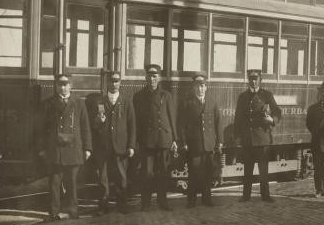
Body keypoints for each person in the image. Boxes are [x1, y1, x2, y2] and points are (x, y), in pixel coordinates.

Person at [38, 73, 92, 222]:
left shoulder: (79, 102)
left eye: (65, 84)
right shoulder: (48, 103)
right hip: (55, 149)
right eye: (60, 85)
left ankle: (72, 210)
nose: (62, 87)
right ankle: (53, 212)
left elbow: (85, 126)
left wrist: (87, 148)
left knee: (72, 182)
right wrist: (42, 148)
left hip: (73, 148)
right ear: (57, 86)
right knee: (54, 183)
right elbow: (42, 128)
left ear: (70, 85)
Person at [88, 71, 136, 216]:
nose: (113, 84)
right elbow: (91, 125)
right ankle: (103, 207)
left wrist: (131, 146)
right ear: (107, 83)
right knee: (103, 179)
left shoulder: (126, 102)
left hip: (120, 147)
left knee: (121, 178)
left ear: (120, 83)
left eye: (116, 81)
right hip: (103, 148)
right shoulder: (99, 102)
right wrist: (97, 121)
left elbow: (132, 125)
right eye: (111, 81)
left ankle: (122, 206)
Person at [133, 64, 178, 212]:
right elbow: (136, 122)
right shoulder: (138, 96)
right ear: (145, 78)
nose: (151, 79)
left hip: (163, 140)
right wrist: (136, 142)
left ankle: (162, 202)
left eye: (154, 76)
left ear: (158, 78)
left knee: (163, 173)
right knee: (146, 173)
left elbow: (172, 118)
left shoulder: (166, 95)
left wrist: (174, 139)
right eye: (149, 76)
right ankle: (145, 203)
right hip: (147, 141)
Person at [233, 69, 281, 203]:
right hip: (247, 137)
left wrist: (272, 120)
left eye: (256, 79)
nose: (253, 81)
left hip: (262, 137)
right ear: (248, 80)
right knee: (247, 168)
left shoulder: (267, 94)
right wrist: (237, 135)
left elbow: (277, 112)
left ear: (260, 80)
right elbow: (238, 118)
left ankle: (265, 195)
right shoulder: (242, 96)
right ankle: (246, 195)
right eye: (251, 79)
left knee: (263, 169)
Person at [178, 74, 223, 208]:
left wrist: (220, 141)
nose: (200, 89)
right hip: (194, 145)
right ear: (193, 88)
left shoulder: (212, 102)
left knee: (207, 174)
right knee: (194, 173)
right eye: (197, 86)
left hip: (209, 145)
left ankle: (206, 199)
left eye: (202, 86)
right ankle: (191, 200)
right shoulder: (186, 103)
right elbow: (180, 125)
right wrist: (183, 143)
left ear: (206, 87)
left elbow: (218, 123)